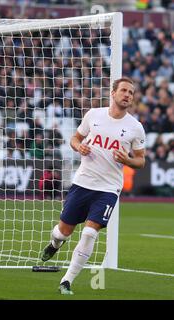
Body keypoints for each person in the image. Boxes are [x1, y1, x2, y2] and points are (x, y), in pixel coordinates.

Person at [40, 77, 146, 295]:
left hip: (108, 189)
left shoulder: (135, 127)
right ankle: (55, 244)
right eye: (124, 90)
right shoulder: (94, 115)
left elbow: (141, 161)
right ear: (113, 92)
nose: (128, 95)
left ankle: (66, 281)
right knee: (63, 232)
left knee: (89, 233)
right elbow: (75, 139)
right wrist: (80, 147)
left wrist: (127, 160)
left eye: (131, 92)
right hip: (82, 183)